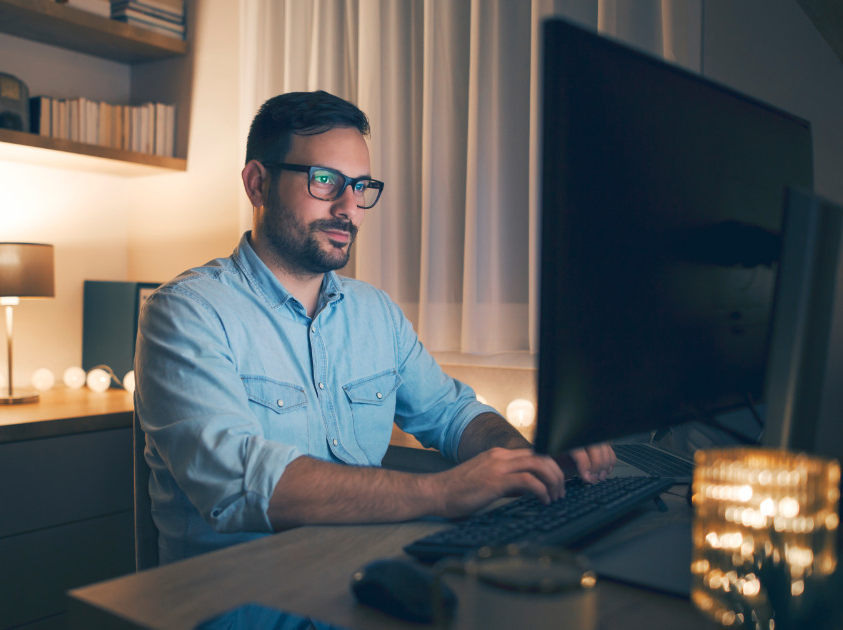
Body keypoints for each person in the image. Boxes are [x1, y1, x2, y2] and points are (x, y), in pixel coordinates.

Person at [134, 90, 615, 564]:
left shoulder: (375, 312)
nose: (349, 207)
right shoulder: (186, 312)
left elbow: (452, 414)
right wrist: (444, 492)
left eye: (361, 186)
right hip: (242, 606)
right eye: (325, 180)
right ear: (257, 183)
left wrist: (529, 459)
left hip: (359, 587)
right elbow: (240, 482)